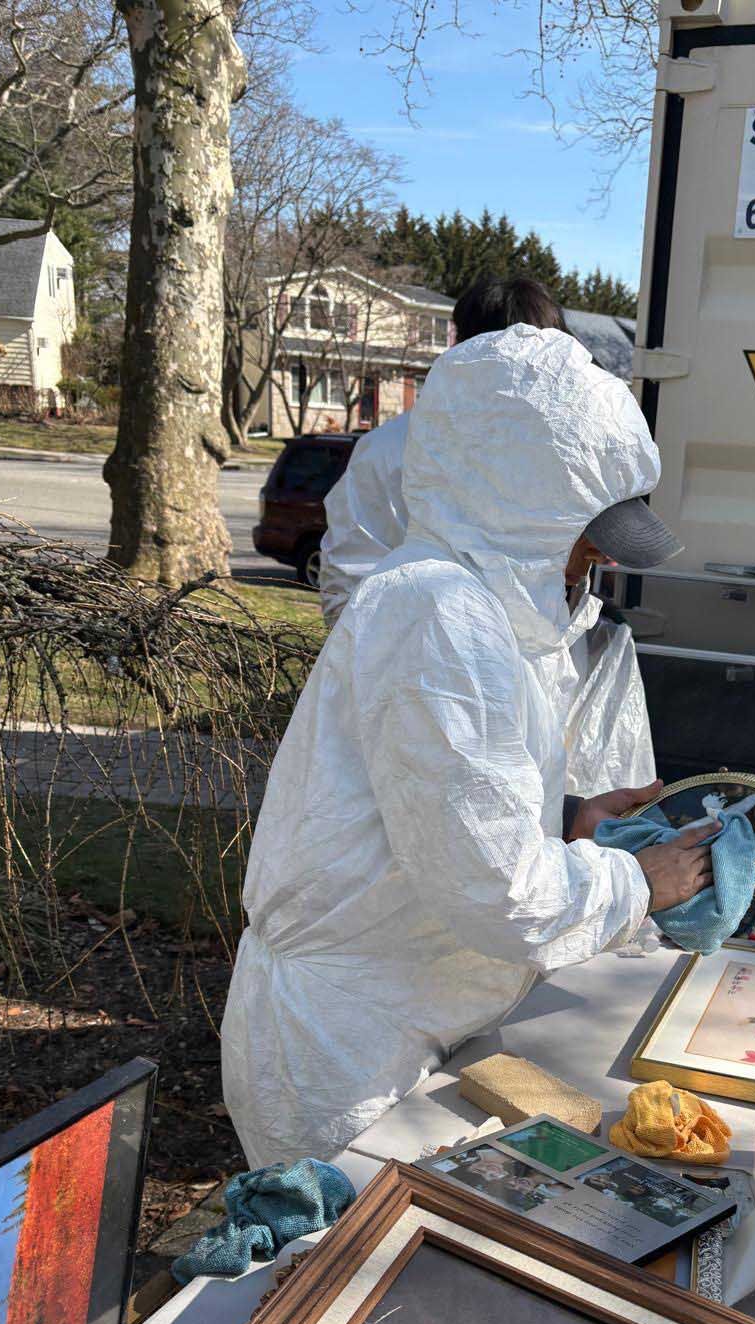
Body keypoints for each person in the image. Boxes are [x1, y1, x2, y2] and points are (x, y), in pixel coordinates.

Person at [222, 324, 717, 1168]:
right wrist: (637, 880)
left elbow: (432, 811)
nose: (597, 555)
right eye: (588, 528)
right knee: (341, 1279)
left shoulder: (476, 618)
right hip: (349, 1052)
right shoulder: (437, 616)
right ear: (518, 509)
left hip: (413, 1015)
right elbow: (495, 887)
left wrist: (570, 818)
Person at [320, 276, 657, 794]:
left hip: (525, 693)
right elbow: (352, 586)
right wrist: (412, 660)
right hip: (429, 689)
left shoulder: (548, 453)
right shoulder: (394, 454)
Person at [318, 278, 568, 631]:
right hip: (412, 662)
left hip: (495, 665)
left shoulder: (559, 452)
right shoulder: (393, 448)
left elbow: (345, 576)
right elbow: (350, 581)